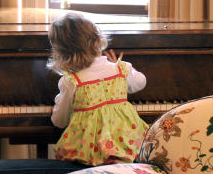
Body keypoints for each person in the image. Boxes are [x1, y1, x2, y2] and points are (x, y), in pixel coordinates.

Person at [48, 12, 148, 165]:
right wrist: (119, 68)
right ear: (97, 40)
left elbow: (59, 121)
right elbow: (141, 82)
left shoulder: (71, 81)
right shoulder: (121, 69)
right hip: (128, 142)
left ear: (61, 52)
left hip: (90, 152)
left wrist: (56, 105)